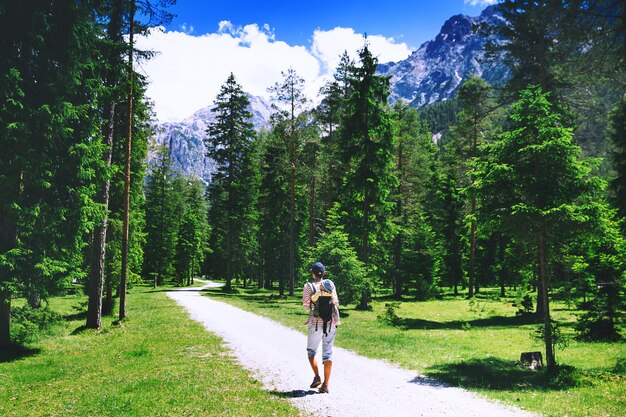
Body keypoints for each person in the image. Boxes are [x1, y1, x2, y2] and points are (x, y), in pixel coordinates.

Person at [302, 261, 340, 393]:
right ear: (323, 273)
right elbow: (336, 302)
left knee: (311, 351)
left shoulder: (308, 286)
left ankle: (317, 376)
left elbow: (306, 305)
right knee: (328, 354)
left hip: (316, 323)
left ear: (313, 273)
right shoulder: (330, 284)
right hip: (331, 323)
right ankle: (325, 385)